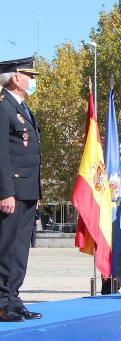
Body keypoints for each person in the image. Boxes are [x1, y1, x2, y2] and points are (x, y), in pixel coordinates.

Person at [0, 57, 43, 321]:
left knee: (20, 248)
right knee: (6, 247)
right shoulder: (3, 107)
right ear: (16, 77)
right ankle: (2, 301)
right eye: (30, 75)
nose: (33, 81)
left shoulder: (23, 108)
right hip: (12, 190)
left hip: (27, 190)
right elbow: (1, 154)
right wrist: (5, 191)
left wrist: (36, 193)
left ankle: (13, 298)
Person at [102, 144, 121, 294]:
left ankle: (117, 285)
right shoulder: (105, 174)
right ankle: (108, 286)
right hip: (111, 221)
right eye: (119, 155)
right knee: (110, 254)